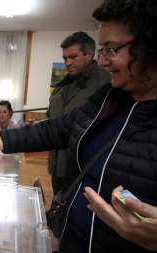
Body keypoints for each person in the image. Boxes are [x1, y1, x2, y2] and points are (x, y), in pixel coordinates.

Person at [0, 0, 157, 253]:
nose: (102, 60)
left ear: (155, 45)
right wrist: (6, 140)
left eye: (112, 49)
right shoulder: (110, 97)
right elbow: (60, 128)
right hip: (85, 251)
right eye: (102, 50)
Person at [47, 31, 110, 195]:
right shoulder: (60, 88)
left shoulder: (106, 82)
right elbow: (50, 120)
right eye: (65, 58)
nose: (68, 63)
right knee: (58, 206)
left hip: (83, 169)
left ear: (89, 54)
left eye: (73, 57)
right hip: (57, 166)